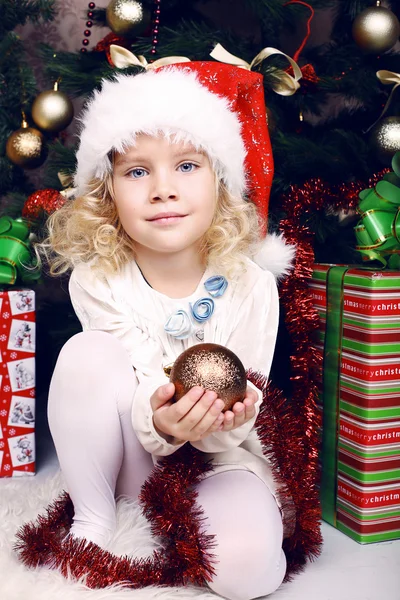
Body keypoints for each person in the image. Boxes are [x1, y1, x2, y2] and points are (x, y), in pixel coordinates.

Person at [38, 60, 296, 600]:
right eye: (136, 171)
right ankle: (94, 517)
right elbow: (125, 384)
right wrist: (162, 422)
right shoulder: (100, 278)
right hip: (137, 454)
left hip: (218, 460)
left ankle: (209, 528)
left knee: (249, 572)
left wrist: (214, 421)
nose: (162, 190)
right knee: (86, 353)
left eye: (186, 165)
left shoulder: (250, 284)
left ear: (220, 182)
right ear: (107, 193)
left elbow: (242, 407)